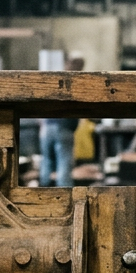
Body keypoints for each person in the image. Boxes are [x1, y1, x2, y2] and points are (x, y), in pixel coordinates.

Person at [39, 53, 84, 187]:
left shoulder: (56, 79)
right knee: (64, 163)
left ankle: (42, 192)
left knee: (46, 161)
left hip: (48, 126)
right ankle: (65, 196)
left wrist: (42, 127)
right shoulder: (77, 83)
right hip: (64, 127)